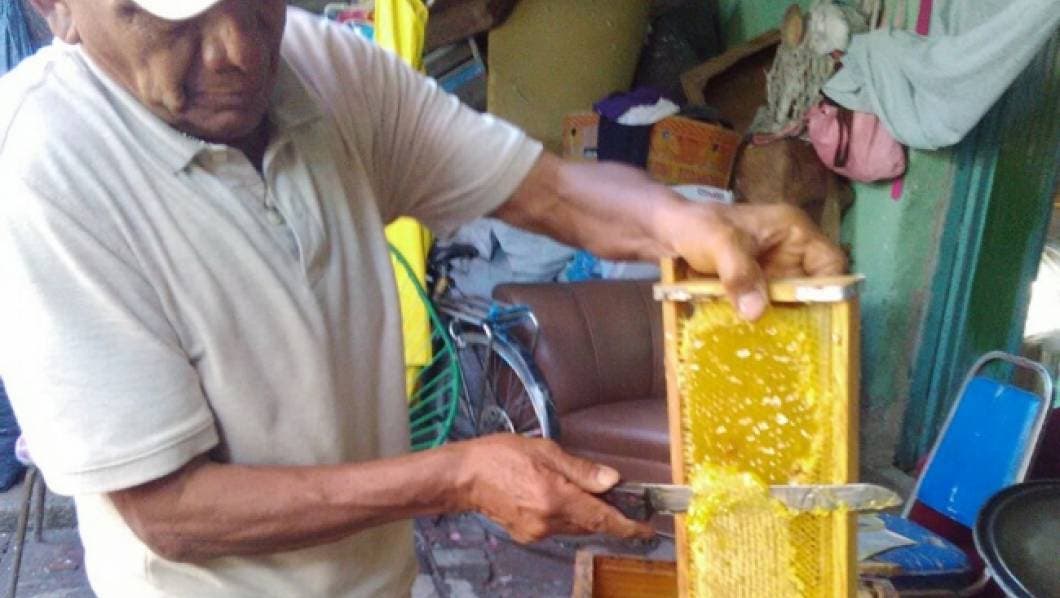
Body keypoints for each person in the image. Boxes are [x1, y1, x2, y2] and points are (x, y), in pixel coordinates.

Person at [0, 1, 847, 596]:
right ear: (57, 9)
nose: (238, 51)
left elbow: (547, 191)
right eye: (176, 19)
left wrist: (696, 225)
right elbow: (169, 511)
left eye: (256, 1)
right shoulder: (40, 171)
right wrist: (457, 476)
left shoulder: (323, 67)